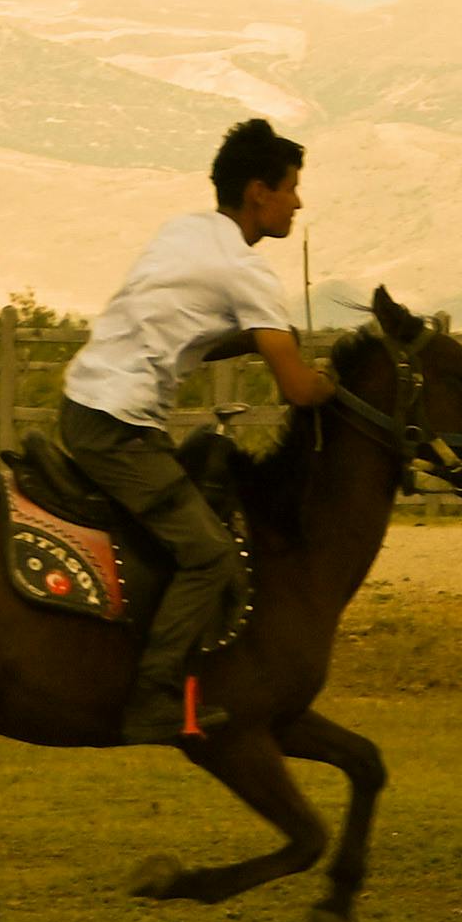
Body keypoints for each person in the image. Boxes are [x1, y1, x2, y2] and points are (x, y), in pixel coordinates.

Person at [53, 115, 340, 745]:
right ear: (259, 192)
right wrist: (329, 380)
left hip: (89, 402)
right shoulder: (248, 272)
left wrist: (248, 342)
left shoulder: (184, 233)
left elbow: (178, 329)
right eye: (291, 186)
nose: (298, 201)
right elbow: (297, 390)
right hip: (118, 425)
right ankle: (154, 699)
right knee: (209, 555)